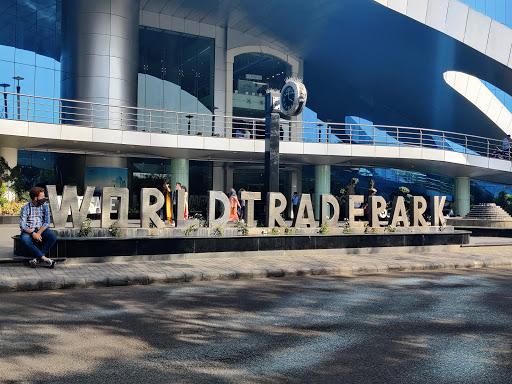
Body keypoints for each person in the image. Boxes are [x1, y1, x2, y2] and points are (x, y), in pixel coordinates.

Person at [20, 186, 57, 268]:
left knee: (52, 237)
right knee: (25, 240)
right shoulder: (25, 208)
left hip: (41, 229)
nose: (44, 198)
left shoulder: (45, 206)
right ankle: (45, 259)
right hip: (29, 230)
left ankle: (36, 259)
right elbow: (22, 225)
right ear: (36, 198)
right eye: (42, 197)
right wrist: (33, 233)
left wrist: (39, 233)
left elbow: (47, 222)